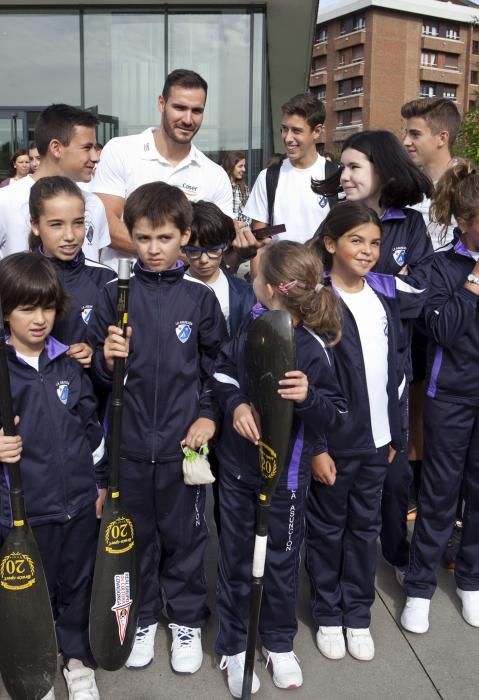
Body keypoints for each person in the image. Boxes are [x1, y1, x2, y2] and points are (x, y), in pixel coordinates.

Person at [87, 181, 228, 675]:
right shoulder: (114, 295)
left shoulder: (200, 299)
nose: (153, 248)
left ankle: (186, 618)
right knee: (138, 539)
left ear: (183, 236)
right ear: (131, 235)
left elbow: (218, 370)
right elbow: (98, 383)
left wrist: (209, 414)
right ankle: (144, 616)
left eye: (164, 238)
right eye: (143, 238)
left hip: (181, 447)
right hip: (127, 450)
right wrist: (106, 362)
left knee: (187, 539)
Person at [213, 240, 346, 697]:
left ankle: (277, 641)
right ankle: (233, 645)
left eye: (252, 275)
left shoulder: (311, 347)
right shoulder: (246, 330)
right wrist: (236, 404)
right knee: (234, 560)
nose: (249, 281)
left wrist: (308, 397)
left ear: (268, 287)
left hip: (286, 479)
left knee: (282, 561)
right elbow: (221, 375)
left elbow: (336, 414)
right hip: (236, 472)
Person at [312, 130, 433, 580]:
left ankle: (396, 556)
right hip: (338, 373)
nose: (343, 175)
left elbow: (422, 292)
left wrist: (364, 280)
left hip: (392, 373)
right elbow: (318, 283)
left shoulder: (412, 225)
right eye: (341, 167)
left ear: (382, 168)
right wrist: (389, 277)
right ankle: (331, 575)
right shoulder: (336, 219)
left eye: (353, 166)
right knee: (338, 484)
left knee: (394, 476)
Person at [0, 253, 107, 700]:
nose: (40, 319)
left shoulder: (68, 364)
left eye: (47, 307)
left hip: (79, 505)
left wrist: (100, 483)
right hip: (24, 512)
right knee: (31, 593)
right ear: (5, 310)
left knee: (77, 584)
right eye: (26, 308)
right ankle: (37, 663)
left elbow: (91, 428)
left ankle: (76, 657)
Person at [306, 201, 403, 662]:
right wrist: (317, 447)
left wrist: (395, 437)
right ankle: (327, 612)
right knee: (327, 530)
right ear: (331, 244)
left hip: (377, 445)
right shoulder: (320, 304)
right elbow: (312, 382)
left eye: (375, 243)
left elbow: (396, 373)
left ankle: (357, 613)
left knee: (365, 531)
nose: (367, 251)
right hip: (335, 445)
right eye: (356, 240)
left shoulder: (383, 302)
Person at [400, 160, 479, 634]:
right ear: (467, 220)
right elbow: (444, 331)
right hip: (449, 394)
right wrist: (472, 283)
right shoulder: (438, 267)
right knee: (439, 494)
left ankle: (471, 579)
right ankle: (419, 587)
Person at [91, 69, 233, 270]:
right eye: (179, 107)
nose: (188, 119)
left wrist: (244, 248)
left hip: (185, 295)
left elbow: (220, 245)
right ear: (161, 103)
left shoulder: (215, 175)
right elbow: (105, 225)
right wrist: (183, 253)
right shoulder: (121, 150)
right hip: (123, 290)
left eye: (196, 111)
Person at [0, 104, 110, 262]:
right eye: (87, 148)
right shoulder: (5, 201)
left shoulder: (94, 203)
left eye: (78, 223)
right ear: (56, 148)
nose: (95, 157)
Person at [28, 176, 116, 369]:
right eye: (56, 225)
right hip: (33, 396)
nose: (70, 236)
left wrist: (97, 357)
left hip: (91, 396)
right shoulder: (17, 278)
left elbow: (117, 351)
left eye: (78, 223)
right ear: (35, 225)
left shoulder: (107, 280)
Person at [185, 200, 255, 338]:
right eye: (194, 251)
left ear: (227, 245)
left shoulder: (244, 294)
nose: (204, 260)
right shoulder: (169, 289)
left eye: (213, 250)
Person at [401, 97, 461, 250]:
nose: (406, 142)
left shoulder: (469, 189)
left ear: (442, 138)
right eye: (406, 133)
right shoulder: (401, 186)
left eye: (415, 134)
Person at [221, 151, 250, 222]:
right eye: (240, 166)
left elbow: (248, 215)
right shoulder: (220, 186)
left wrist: (241, 225)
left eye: (244, 166)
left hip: (240, 230)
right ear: (231, 166)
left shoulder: (244, 188)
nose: (244, 169)